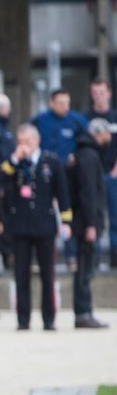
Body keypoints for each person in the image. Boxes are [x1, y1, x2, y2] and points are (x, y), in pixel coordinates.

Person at [0, 123, 72, 331]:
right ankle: (23, 319)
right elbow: (0, 178)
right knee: (21, 274)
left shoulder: (51, 161)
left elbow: (62, 193)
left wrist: (66, 221)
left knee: (48, 273)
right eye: (20, 141)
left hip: (44, 225)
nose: (24, 145)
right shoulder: (14, 163)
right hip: (20, 225)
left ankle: (49, 319)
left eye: (27, 141)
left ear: (37, 140)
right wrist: (15, 159)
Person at [69, 120, 111, 328]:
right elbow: (88, 192)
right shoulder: (88, 155)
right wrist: (91, 224)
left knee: (86, 268)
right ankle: (83, 312)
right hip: (85, 223)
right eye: (107, 133)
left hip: (85, 221)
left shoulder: (85, 153)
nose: (109, 137)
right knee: (85, 269)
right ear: (98, 133)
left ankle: (84, 312)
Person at [84, 78, 117, 267]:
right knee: (93, 216)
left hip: (112, 173)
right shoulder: (85, 119)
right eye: (94, 93)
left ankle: (115, 256)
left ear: (109, 94)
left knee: (115, 217)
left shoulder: (115, 117)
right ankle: (93, 257)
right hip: (92, 175)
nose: (98, 96)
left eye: (102, 93)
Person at [32, 89, 89, 161]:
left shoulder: (77, 120)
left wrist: (76, 155)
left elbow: (88, 139)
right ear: (51, 103)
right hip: (45, 163)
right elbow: (27, 133)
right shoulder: (41, 119)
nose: (65, 106)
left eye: (67, 103)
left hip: (67, 164)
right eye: (61, 103)